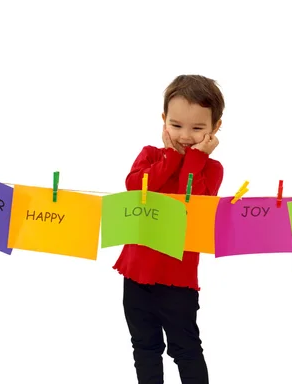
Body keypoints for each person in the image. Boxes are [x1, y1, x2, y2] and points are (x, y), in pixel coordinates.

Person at [113, 74, 225, 384]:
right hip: (136, 273)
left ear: (215, 128)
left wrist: (194, 159)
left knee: (185, 348)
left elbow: (194, 203)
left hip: (178, 280)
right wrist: (172, 156)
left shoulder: (211, 169)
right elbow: (136, 188)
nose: (185, 136)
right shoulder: (150, 155)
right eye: (176, 126)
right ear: (164, 120)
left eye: (198, 128)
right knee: (144, 347)